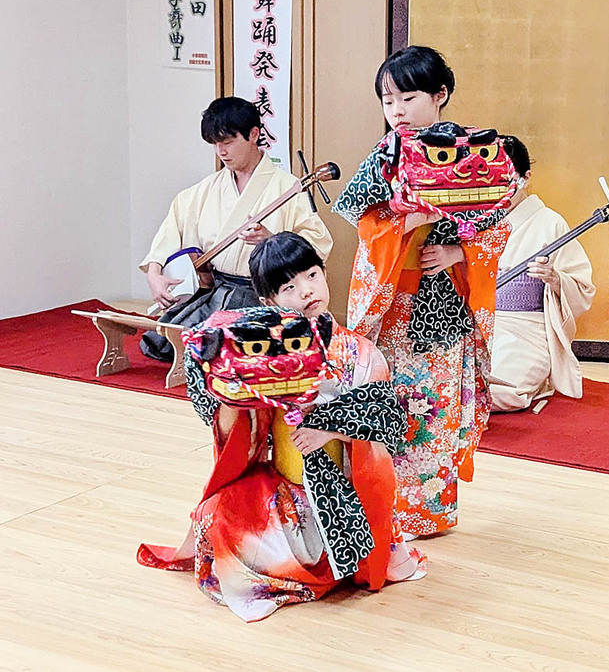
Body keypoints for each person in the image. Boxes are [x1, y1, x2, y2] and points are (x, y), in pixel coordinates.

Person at [137, 232, 424, 622]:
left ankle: (326, 563)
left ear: (324, 274)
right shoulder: (257, 353)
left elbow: (388, 417)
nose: (305, 291)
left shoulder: (357, 350)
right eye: (288, 287)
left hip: (344, 484)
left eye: (310, 275)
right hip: (283, 482)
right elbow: (222, 416)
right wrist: (218, 376)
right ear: (268, 301)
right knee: (217, 516)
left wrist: (331, 430)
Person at [332, 46, 512, 538]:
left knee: (434, 404)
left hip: (441, 300)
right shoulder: (385, 154)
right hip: (392, 301)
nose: (397, 111)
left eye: (408, 98)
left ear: (440, 95)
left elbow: (497, 219)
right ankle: (377, 501)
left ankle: (429, 512)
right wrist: (418, 214)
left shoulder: (472, 151)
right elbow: (361, 216)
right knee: (388, 399)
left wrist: (457, 254)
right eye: (388, 101)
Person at [139, 96, 333, 361]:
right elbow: (172, 228)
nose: (221, 152)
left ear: (253, 134)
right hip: (218, 290)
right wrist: (155, 271)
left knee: (232, 350)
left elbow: (318, 243)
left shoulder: (287, 188)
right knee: (163, 343)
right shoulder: (205, 190)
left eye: (228, 142)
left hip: (265, 297)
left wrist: (272, 240)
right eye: (216, 144)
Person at [490, 136, 596, 411]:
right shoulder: (477, 221)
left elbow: (583, 288)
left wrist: (555, 279)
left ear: (525, 178)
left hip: (525, 330)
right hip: (481, 324)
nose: (498, 191)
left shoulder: (550, 223)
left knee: (505, 391)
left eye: (506, 180)